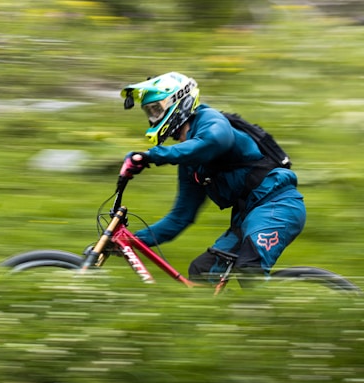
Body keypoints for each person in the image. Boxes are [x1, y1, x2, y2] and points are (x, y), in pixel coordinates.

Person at [119, 71, 306, 284]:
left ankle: (273, 315)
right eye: (149, 112)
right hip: (245, 217)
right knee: (203, 272)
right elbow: (180, 218)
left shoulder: (210, 120)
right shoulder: (191, 163)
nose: (153, 117)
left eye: (156, 109)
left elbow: (215, 141)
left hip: (278, 207)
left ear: (178, 101)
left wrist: (151, 156)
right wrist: (131, 241)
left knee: (249, 268)